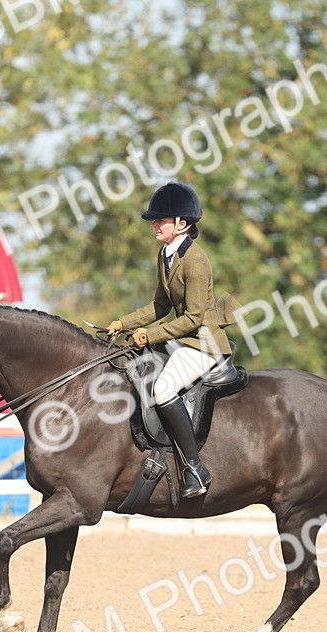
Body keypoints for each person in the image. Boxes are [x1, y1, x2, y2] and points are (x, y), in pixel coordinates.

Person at [107, 182, 240, 498]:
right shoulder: (165, 254)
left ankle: (195, 468)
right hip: (183, 339)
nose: (154, 224)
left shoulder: (196, 260)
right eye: (155, 220)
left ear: (181, 223)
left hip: (203, 343)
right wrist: (124, 322)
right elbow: (160, 306)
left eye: (161, 220)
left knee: (163, 389)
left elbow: (193, 318)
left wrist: (149, 334)